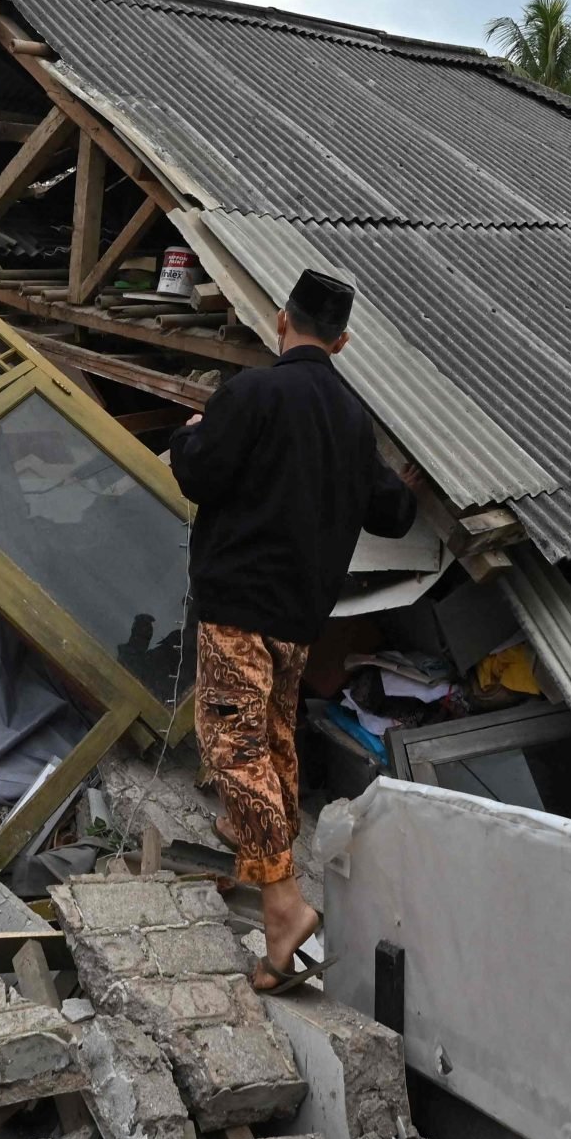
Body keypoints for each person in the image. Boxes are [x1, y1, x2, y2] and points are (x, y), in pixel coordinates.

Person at [167, 268, 418, 991]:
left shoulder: (251, 393)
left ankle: (281, 902)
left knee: (230, 743)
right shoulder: (351, 415)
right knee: (275, 735)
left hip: (239, 602)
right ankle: (261, 852)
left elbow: (200, 473)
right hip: (299, 615)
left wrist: (189, 438)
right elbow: (390, 512)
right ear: (341, 340)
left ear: (282, 321)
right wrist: (405, 484)